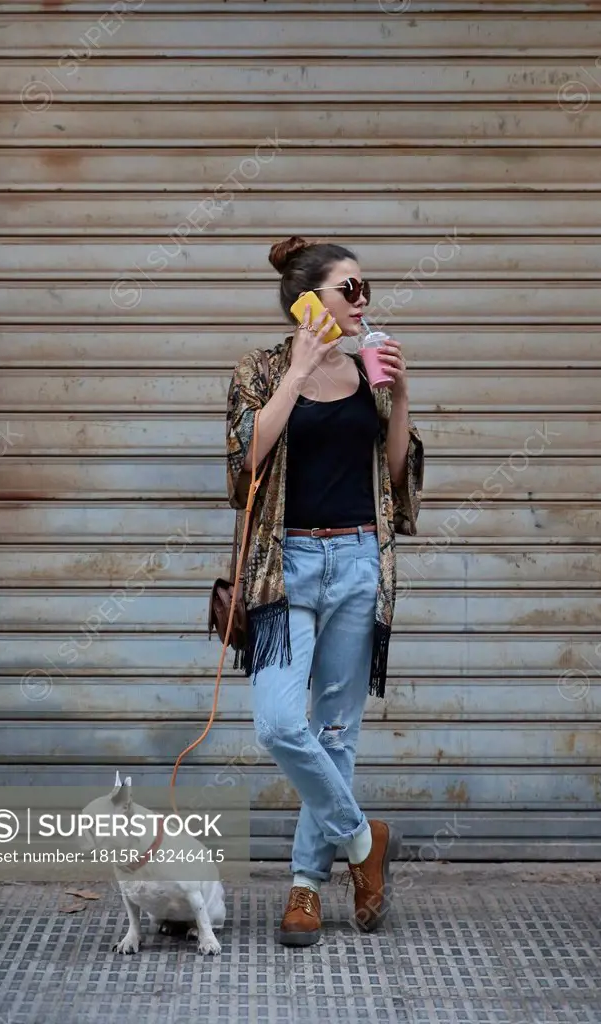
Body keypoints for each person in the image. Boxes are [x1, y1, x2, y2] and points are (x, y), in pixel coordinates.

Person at [225, 235, 424, 946]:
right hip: (286, 566)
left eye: (367, 288)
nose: (364, 301)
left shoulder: (369, 371)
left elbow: (396, 477)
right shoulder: (259, 368)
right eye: (351, 289)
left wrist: (400, 396)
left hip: (359, 560)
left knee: (337, 732)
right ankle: (363, 842)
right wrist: (298, 372)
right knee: (281, 723)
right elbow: (247, 461)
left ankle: (307, 886)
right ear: (307, 300)